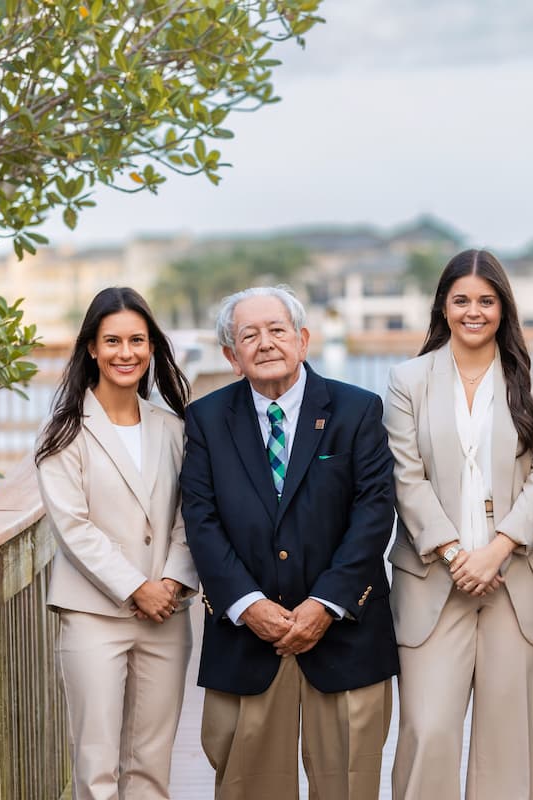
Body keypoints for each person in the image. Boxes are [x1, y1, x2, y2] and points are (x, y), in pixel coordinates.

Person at [180, 285, 398, 800]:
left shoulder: (357, 410)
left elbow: (373, 513)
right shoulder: (207, 420)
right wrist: (247, 604)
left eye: (277, 330)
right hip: (246, 639)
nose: (266, 343)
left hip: (344, 636)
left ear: (302, 340)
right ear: (232, 357)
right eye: (248, 335)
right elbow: (200, 519)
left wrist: (326, 604)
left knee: (348, 785)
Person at [383, 249, 533, 800]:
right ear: (443, 307)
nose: (474, 311)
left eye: (486, 301)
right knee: (428, 730)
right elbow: (406, 476)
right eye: (462, 300)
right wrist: (453, 553)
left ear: (503, 308)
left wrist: (497, 550)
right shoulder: (407, 379)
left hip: (521, 581)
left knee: (511, 744)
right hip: (433, 582)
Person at [35, 286, 197, 800]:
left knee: (151, 763)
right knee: (97, 765)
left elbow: (190, 516)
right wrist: (135, 588)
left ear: (151, 348)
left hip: (166, 616)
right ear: (91, 348)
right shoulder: (62, 433)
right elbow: (73, 527)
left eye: (136, 340)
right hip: (93, 616)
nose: (124, 353)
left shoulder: (174, 429)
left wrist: (170, 581)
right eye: (112, 341)